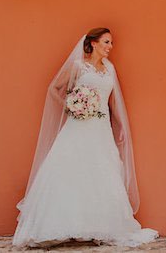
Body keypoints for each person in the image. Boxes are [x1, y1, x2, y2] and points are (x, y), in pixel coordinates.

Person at [13, 28, 157, 248]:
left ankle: (97, 226)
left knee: (101, 170)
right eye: (106, 42)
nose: (110, 47)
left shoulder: (109, 68)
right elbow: (54, 89)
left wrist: (121, 125)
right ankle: (57, 226)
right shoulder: (78, 66)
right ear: (93, 43)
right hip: (78, 126)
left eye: (111, 43)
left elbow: (113, 101)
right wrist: (72, 107)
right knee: (70, 169)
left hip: (100, 128)